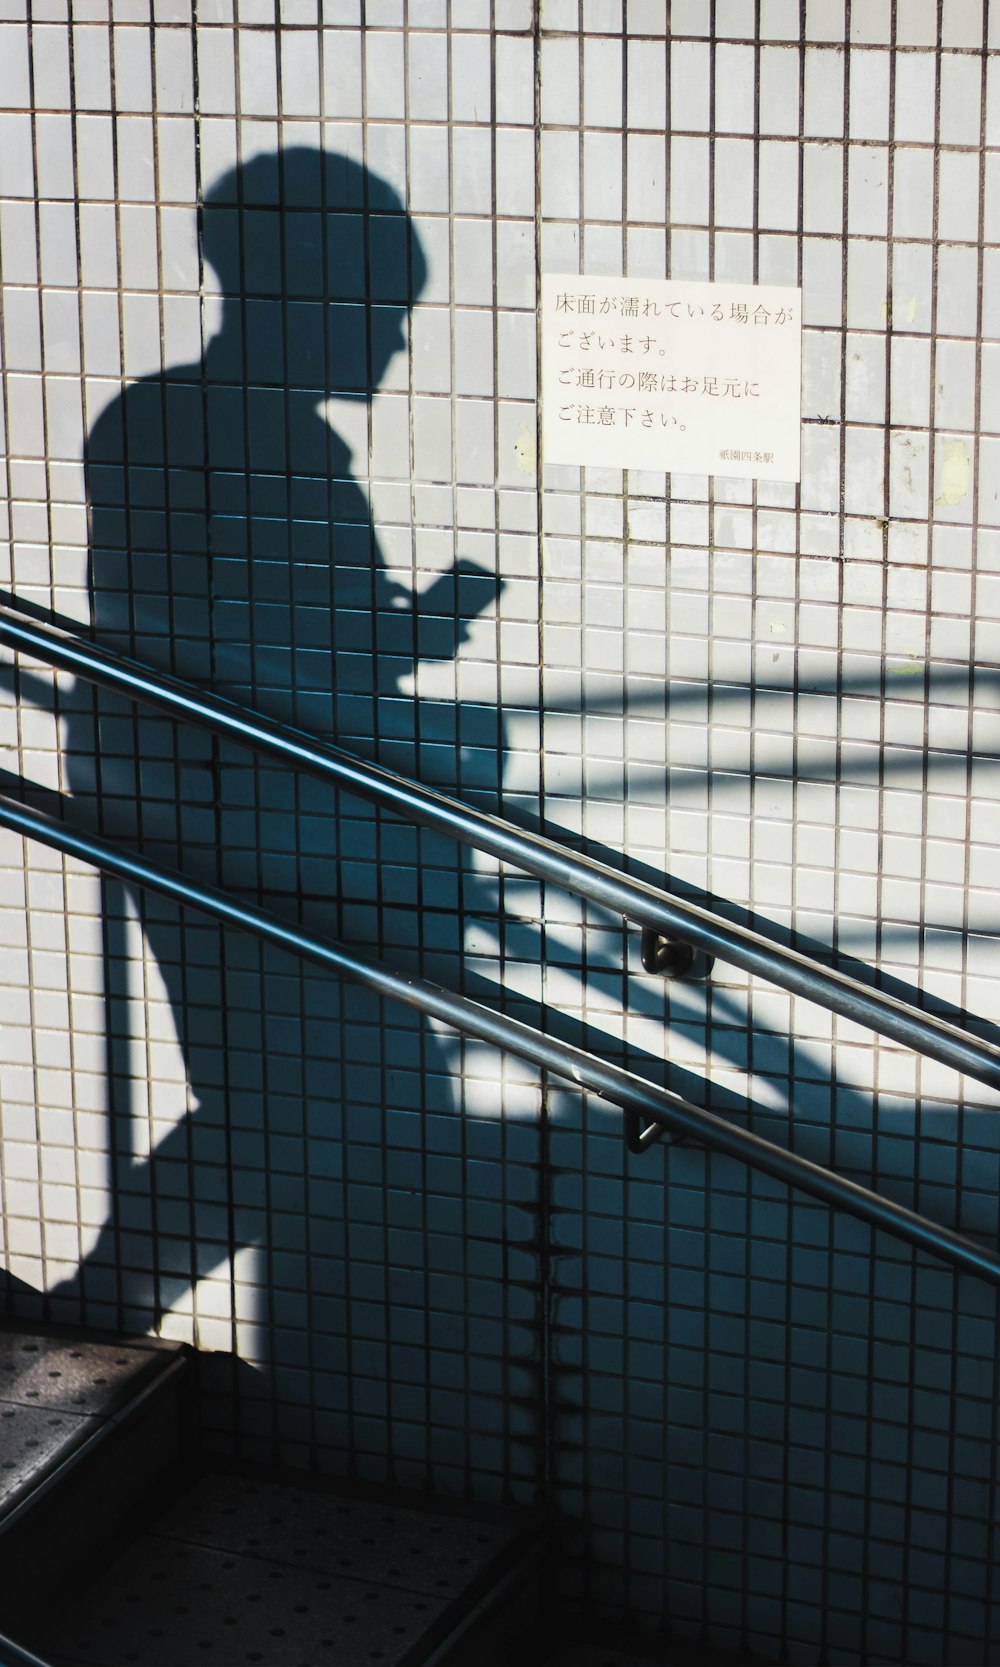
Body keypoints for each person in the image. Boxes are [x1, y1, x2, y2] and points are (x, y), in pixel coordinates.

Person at [59, 146, 500, 1352]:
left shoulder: (150, 418)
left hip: (152, 784)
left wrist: (393, 638)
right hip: (228, 812)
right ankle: (101, 1312)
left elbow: (206, 623)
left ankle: (103, 1306)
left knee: (277, 1095)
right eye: (383, 313)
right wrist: (426, 635)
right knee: (292, 1099)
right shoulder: (284, 457)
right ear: (306, 294)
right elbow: (297, 652)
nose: (395, 346)